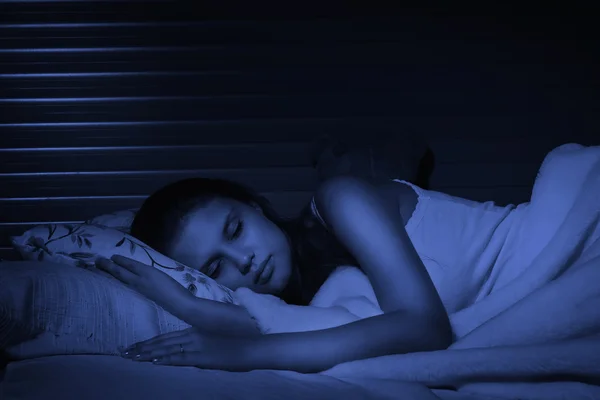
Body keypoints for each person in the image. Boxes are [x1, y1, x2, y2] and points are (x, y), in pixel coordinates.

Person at [96, 176, 456, 373]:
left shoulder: (339, 197)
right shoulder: (314, 300)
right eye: (215, 268)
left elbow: (425, 328)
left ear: (255, 207)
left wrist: (242, 354)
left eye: (235, 230)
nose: (245, 260)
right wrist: (185, 304)